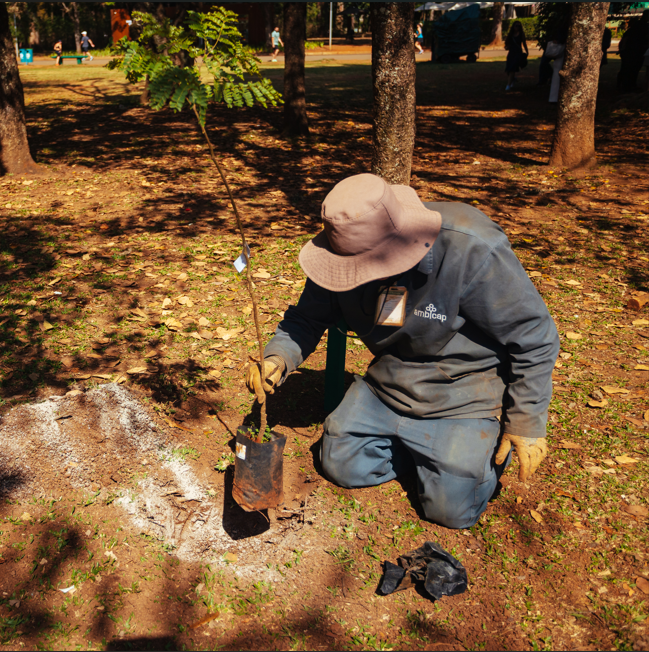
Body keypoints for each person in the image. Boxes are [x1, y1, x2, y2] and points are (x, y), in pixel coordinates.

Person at [245, 174, 558, 530]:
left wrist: (526, 420)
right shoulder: (341, 247)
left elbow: (534, 335)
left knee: (451, 509)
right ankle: (427, 451)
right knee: (341, 462)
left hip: (466, 387)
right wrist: (277, 358)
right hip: (390, 378)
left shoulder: (470, 247)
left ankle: (466, 454)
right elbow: (306, 317)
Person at [618, 11, 649, 92]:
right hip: (635, 50)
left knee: (629, 68)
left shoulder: (639, 25)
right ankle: (628, 85)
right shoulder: (643, 26)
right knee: (631, 68)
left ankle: (627, 85)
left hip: (634, 50)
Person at [504, 21, 529, 90]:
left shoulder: (521, 34)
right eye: (516, 26)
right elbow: (506, 44)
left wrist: (527, 51)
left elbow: (524, 43)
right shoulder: (511, 34)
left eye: (519, 26)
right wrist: (507, 47)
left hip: (518, 53)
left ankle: (508, 85)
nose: (517, 27)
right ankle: (513, 79)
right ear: (513, 26)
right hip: (511, 53)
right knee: (508, 70)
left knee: (512, 69)